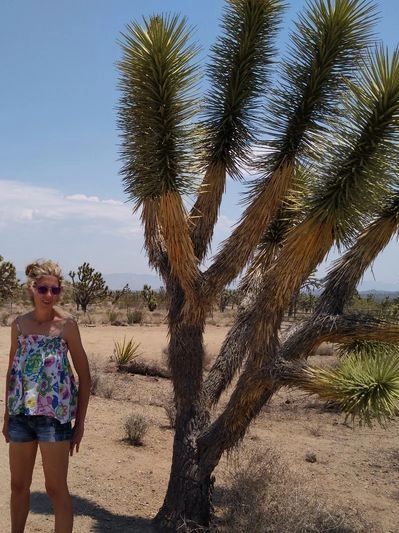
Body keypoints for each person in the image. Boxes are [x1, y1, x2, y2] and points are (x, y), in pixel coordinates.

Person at [2, 259, 91, 533]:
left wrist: (80, 424)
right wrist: (6, 415)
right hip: (20, 416)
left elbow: (85, 377)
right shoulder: (19, 325)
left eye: (56, 290)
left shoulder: (67, 326)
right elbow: (11, 372)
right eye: (43, 289)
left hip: (54, 420)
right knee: (18, 486)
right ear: (32, 288)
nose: (49, 296)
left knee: (55, 489)